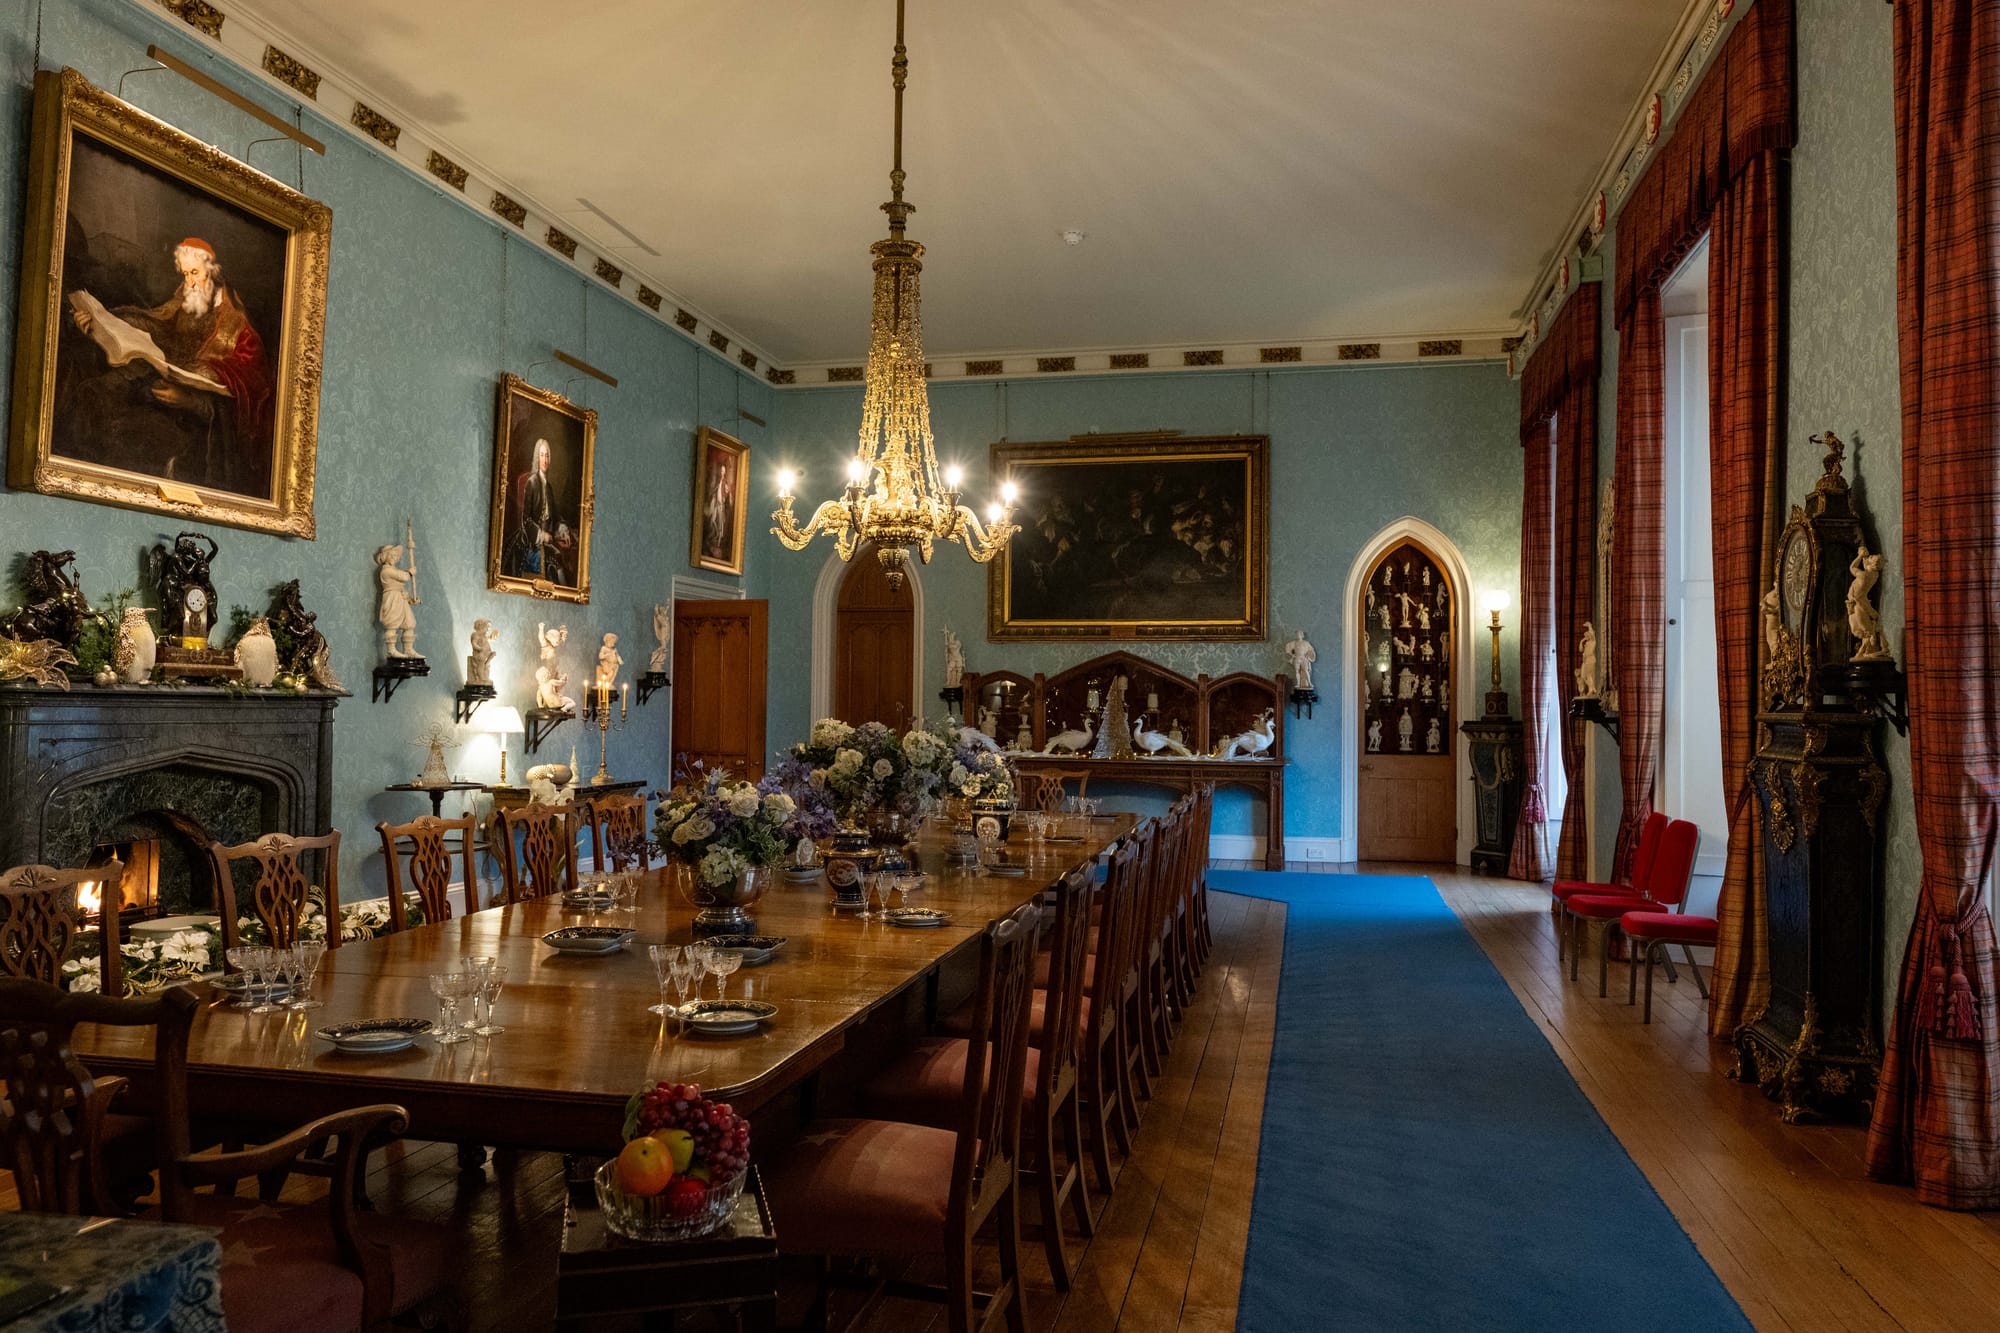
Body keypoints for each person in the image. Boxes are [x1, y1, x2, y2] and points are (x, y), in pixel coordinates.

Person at [66, 238, 274, 493]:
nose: (189, 282)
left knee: (146, 439)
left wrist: (191, 401)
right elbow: (151, 327)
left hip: (196, 427)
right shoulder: (184, 304)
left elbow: (248, 404)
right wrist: (95, 325)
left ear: (214, 272)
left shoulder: (241, 335)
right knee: (93, 393)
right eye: (185, 274)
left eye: (195, 273)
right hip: (154, 390)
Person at [508, 438, 574, 582]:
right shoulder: (531, 483)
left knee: (562, 571)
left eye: (547, 456)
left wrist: (563, 531)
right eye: (542, 455)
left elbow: (555, 516)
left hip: (547, 543)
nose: (544, 459)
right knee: (554, 572)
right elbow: (526, 520)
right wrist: (542, 535)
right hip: (531, 541)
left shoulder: (548, 487)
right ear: (537, 458)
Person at [376, 543, 419, 659]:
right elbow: (403, 577)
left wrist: (410, 599)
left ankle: (408, 649)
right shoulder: (386, 571)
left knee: (409, 623)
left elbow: (401, 582)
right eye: (392, 556)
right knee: (392, 624)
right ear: (386, 557)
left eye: (396, 556)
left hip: (401, 599)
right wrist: (410, 572)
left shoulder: (394, 570)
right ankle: (391, 650)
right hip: (392, 599)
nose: (395, 558)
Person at [702, 450, 736, 560]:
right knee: (715, 522)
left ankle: (719, 540)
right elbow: (715, 493)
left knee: (721, 524)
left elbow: (725, 494)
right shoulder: (717, 483)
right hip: (717, 506)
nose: (723, 473)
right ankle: (715, 540)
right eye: (721, 471)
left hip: (721, 507)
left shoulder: (724, 483)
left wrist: (727, 494)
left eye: (724, 471)